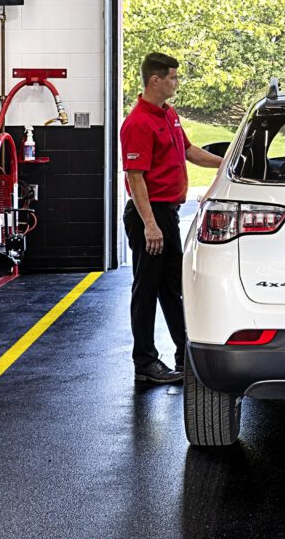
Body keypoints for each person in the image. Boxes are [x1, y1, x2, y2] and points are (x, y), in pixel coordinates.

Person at [121, 51, 223, 386]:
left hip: (167, 215)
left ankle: (185, 354)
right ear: (155, 80)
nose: (176, 83)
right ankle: (145, 363)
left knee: (172, 288)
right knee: (146, 289)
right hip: (149, 215)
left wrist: (226, 164)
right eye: (173, 77)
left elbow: (190, 151)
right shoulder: (138, 122)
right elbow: (136, 179)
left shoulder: (168, 115)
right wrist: (150, 225)